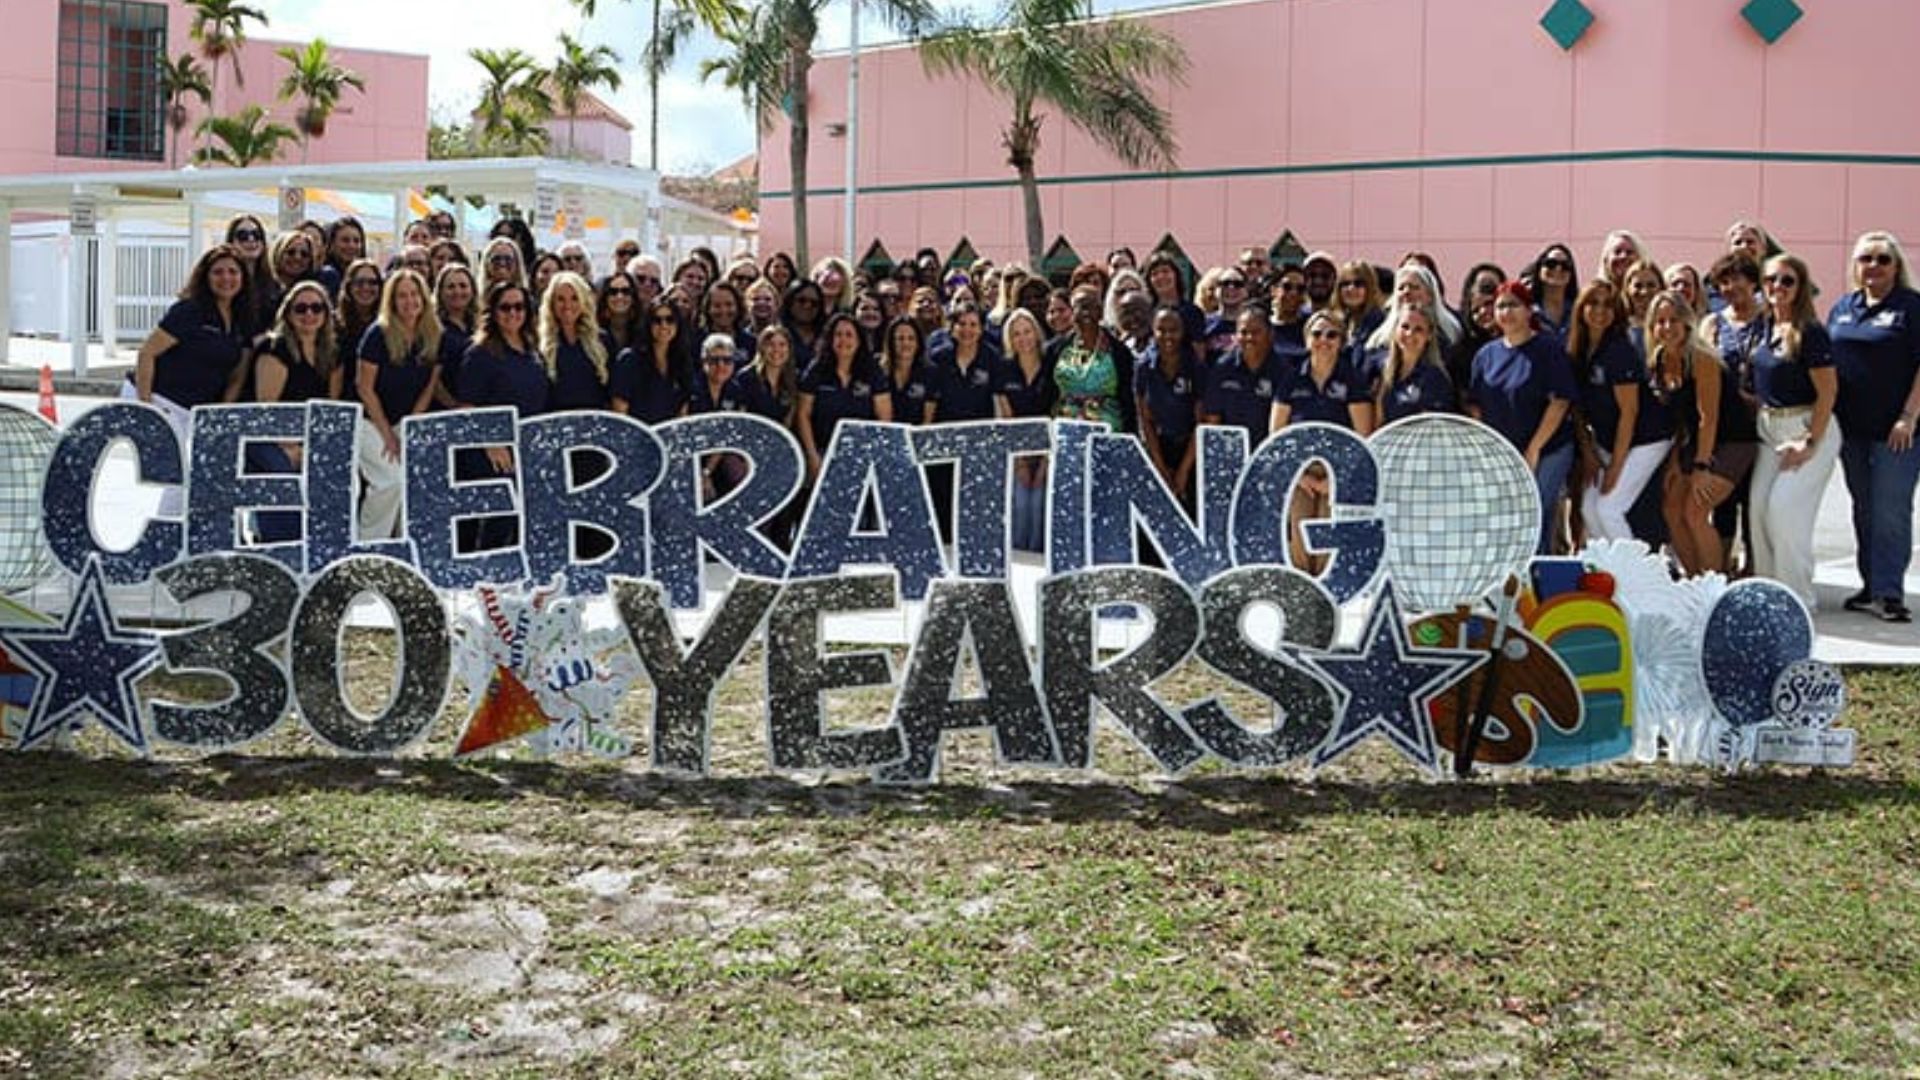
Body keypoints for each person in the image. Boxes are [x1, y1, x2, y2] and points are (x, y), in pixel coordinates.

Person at [1830, 231, 1920, 622]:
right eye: (1866, 258)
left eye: (1883, 259)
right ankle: (1870, 587)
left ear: (1896, 266)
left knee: (1890, 510)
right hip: (1851, 431)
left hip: (1896, 432)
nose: (1874, 266)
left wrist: (1909, 416)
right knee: (1863, 508)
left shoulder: (1911, 307)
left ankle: (1889, 593)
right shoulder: (1843, 307)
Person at [1744, 253, 1839, 606]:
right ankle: (1770, 595)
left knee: (1784, 513)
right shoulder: (1764, 327)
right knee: (1757, 512)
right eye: (1771, 280)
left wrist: (1810, 441)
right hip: (1770, 429)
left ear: (1800, 288)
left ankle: (1797, 599)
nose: (1777, 287)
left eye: (1787, 280)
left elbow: (1828, 391)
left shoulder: (1811, 333)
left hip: (1808, 427)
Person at [1648, 290, 1756, 575]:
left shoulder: (1701, 359)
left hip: (1731, 442)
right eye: (1660, 321)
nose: (1667, 327)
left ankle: (1713, 586)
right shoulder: (1658, 361)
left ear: (1687, 322)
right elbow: (1680, 422)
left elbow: (1709, 417)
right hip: (1695, 443)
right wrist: (1674, 464)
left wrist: (1701, 467)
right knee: (1672, 510)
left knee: (1694, 512)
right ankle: (1694, 582)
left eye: (1674, 320)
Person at [1468, 280, 1576, 554]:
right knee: (1508, 518)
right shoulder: (1485, 356)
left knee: (1536, 510)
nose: (1507, 312)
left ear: (1529, 310)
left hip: (1547, 448)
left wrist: (1534, 448)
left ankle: (1537, 576)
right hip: (1504, 454)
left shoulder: (1548, 349)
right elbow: (1476, 406)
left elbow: (1560, 402)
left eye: (1514, 305)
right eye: (1501, 306)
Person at [1570, 279, 1670, 543]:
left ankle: (1637, 577)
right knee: (1588, 510)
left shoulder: (1618, 350)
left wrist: (1615, 467)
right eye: (1593, 302)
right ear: (1581, 308)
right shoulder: (1576, 350)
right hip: (1606, 441)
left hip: (1647, 439)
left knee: (1610, 509)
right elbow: (1577, 410)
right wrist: (1589, 452)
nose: (1600, 310)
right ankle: (1608, 575)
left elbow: (1630, 412)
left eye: (1608, 305)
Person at [249, 281, 344, 543]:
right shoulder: (274, 349)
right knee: (282, 474)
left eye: (317, 308)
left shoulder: (333, 353)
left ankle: (322, 543)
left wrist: (311, 445)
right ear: (288, 313)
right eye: (300, 308)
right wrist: (289, 445)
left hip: (310, 436)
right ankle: (280, 545)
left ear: (327, 314)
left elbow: (330, 408)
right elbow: (266, 409)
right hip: (268, 436)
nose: (309, 315)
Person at [457, 282, 547, 550]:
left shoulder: (533, 349)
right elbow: (465, 407)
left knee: (521, 526)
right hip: (492, 457)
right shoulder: (480, 353)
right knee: (496, 526)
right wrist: (490, 443)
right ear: (493, 312)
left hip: (525, 451)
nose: (513, 313)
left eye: (519, 307)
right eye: (505, 307)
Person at [355, 269, 442, 540]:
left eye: (415, 294)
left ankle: (402, 546)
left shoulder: (434, 334)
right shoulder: (377, 334)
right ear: (391, 301)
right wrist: (388, 435)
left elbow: (430, 386)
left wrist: (408, 428)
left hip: (405, 420)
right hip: (369, 421)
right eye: (402, 296)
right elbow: (364, 388)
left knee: (411, 485)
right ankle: (369, 546)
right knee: (389, 481)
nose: (409, 301)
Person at [797, 311, 895, 483]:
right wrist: (812, 456)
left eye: (849, 335)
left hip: (862, 454)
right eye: (838, 335)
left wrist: (871, 455)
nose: (843, 340)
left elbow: (884, 417)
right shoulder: (817, 368)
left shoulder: (872, 370)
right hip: (822, 451)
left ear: (859, 340)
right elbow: (803, 414)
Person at [995, 309, 1054, 552]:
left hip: (1047, 449)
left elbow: (1054, 413)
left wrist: (1043, 464)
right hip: (1016, 450)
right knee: (1019, 505)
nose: (1023, 338)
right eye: (1016, 334)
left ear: (1036, 333)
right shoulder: (1004, 369)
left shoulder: (1051, 367)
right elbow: (1007, 417)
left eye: (1027, 332)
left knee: (1040, 504)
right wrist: (1019, 462)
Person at [1136, 306, 1203, 505]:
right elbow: (1145, 419)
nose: (1167, 336)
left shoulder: (1195, 366)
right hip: (1159, 446)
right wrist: (1160, 466)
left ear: (1183, 331)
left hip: (1190, 449)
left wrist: (1183, 470)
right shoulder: (1144, 366)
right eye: (1161, 330)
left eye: (1173, 330)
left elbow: (1201, 422)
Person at [1049, 284, 1136, 434]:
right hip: (1066, 430)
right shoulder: (1056, 349)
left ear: (1101, 312)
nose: (1086, 312)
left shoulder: (1119, 352)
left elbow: (1128, 400)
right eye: (1080, 307)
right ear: (1072, 312)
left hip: (1108, 431)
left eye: (1092, 306)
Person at [1201, 306, 1280, 444]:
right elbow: (1213, 421)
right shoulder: (1222, 368)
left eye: (1256, 332)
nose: (1249, 338)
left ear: (1270, 334)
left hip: (1268, 451)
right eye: (1243, 332)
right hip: (1231, 452)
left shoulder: (1282, 371)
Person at [540, 272, 613, 412]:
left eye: (574, 298)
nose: (567, 305)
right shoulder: (540, 344)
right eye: (560, 299)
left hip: (595, 422)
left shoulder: (602, 340)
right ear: (551, 303)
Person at [1372, 305, 1456, 425]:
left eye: (1418, 329)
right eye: (1405, 327)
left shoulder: (1435, 378)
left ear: (1429, 336)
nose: (1409, 333)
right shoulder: (1384, 372)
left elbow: (1431, 429)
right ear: (1395, 330)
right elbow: (1377, 422)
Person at [611, 299, 690, 423]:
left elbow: (682, 412)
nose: (664, 325)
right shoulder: (629, 360)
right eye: (657, 320)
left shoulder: (682, 361)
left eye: (670, 320)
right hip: (637, 437)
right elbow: (620, 415)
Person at [880, 315, 934, 426]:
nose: (906, 343)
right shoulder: (878, 370)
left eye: (911, 338)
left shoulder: (930, 373)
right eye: (900, 338)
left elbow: (927, 420)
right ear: (891, 342)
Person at [1524, 244, 1577, 341]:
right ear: (1539, 269)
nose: (1558, 269)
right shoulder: (1526, 312)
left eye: (1565, 265)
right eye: (1551, 264)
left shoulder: (1578, 312)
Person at [598, 270, 644, 352]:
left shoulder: (643, 332)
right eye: (613, 292)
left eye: (626, 291)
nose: (619, 296)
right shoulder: (595, 332)